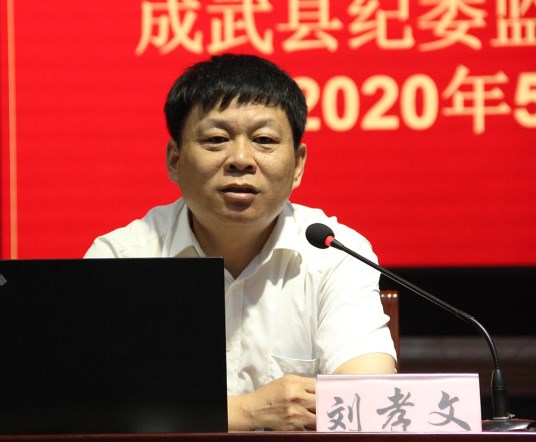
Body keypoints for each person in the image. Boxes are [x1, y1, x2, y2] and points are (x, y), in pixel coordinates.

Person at [85, 54, 397, 431]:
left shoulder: (334, 252)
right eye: (216, 139)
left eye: (264, 140)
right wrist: (246, 413)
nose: (241, 159)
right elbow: (92, 408)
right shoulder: (122, 257)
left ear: (298, 165)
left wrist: (189, 414)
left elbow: (370, 399)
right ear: (174, 160)